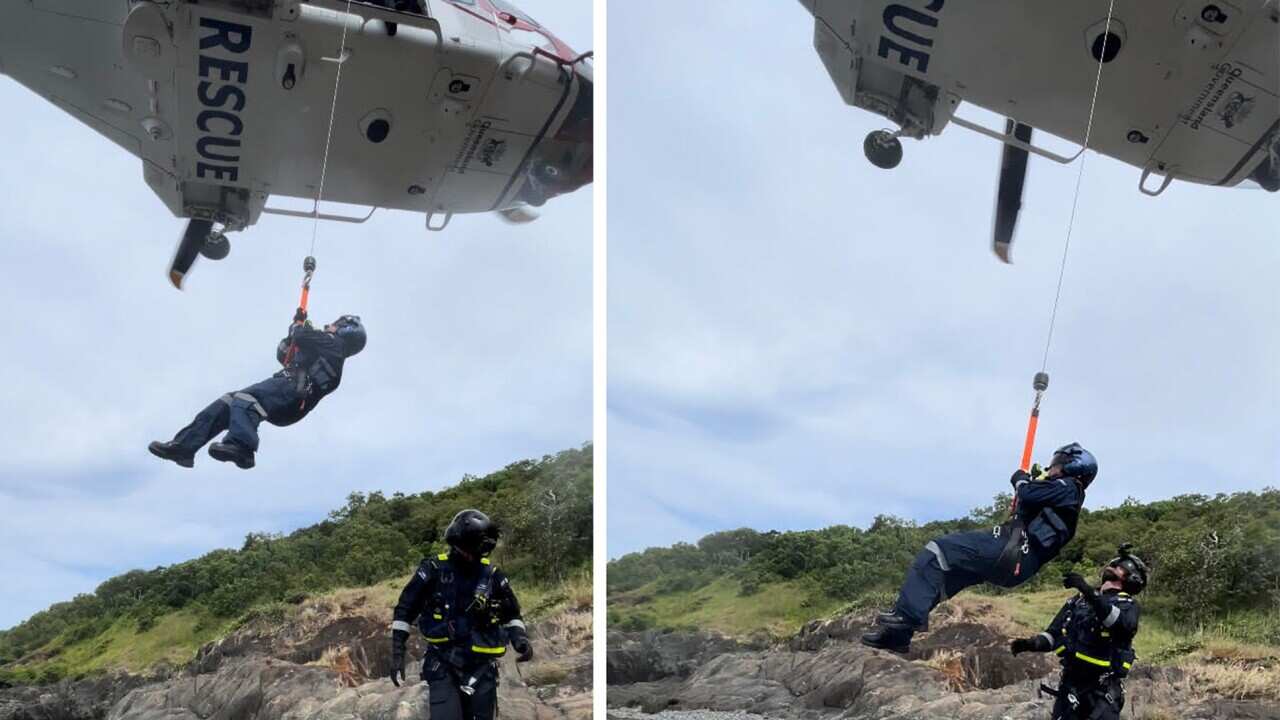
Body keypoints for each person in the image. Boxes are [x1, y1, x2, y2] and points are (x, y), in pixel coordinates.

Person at [862, 442, 1097, 653]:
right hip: (1018, 561)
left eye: (1056, 464)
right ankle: (896, 636)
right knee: (947, 577)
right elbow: (1030, 502)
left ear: (1073, 467)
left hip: (1012, 548)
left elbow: (1027, 492)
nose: (1051, 468)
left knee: (937, 551)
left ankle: (906, 616)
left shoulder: (1069, 487)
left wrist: (1021, 479)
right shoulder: (1065, 499)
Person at [148, 310, 365, 470]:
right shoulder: (328, 352)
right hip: (291, 397)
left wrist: (298, 325)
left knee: (246, 399)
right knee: (229, 401)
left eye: (335, 324)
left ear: (346, 331)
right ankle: (185, 446)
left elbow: (301, 336)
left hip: (292, 390)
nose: (329, 325)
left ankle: (242, 447)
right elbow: (285, 353)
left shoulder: (333, 344)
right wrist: (293, 337)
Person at [389, 509, 533, 720]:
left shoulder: (492, 575)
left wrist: (520, 638)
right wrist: (397, 655)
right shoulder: (433, 570)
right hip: (443, 665)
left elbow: (512, 614)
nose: (475, 556)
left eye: (482, 551)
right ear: (457, 544)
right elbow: (404, 611)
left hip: (483, 669)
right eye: (473, 550)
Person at [1009, 546, 1147, 719]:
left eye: (1119, 566)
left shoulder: (1128, 606)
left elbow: (1117, 622)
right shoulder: (1078, 601)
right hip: (1070, 686)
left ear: (1131, 577)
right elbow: (1053, 635)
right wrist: (1029, 644)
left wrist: (1086, 589)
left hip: (1101, 692)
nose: (1111, 567)